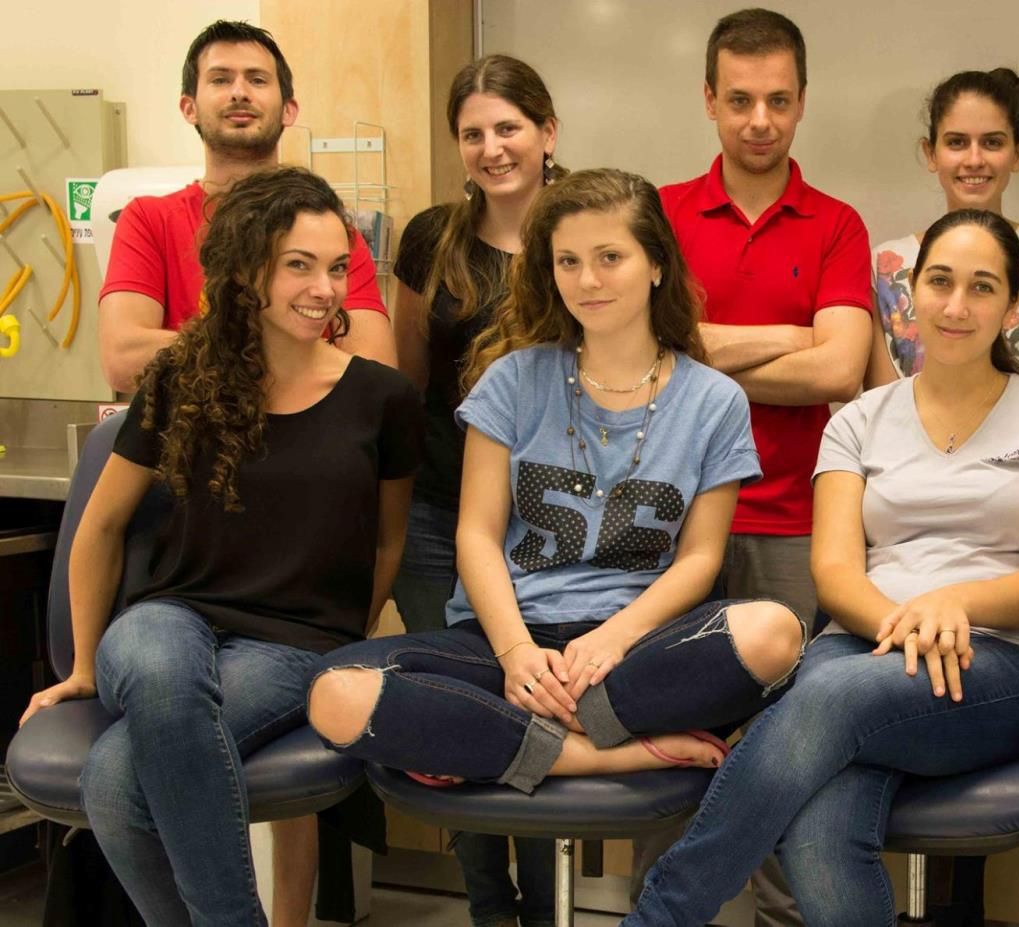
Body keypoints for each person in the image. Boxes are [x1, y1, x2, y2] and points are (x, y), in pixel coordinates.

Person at [623, 208, 1019, 927]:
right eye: (939, 281)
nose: (956, 304)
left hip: (999, 662)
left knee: (823, 698)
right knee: (820, 830)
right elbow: (836, 571)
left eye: (981, 287)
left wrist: (953, 604)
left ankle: (662, 914)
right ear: (910, 294)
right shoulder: (858, 419)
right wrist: (905, 627)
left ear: (1012, 305)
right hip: (864, 648)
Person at [304, 168, 804, 811]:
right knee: (334, 692)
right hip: (505, 643)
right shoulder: (511, 380)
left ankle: (494, 743)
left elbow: (701, 560)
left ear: (656, 264)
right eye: (568, 261)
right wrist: (516, 653)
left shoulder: (715, 400)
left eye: (610, 257)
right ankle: (592, 752)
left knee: (775, 634)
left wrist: (611, 640)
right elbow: (477, 534)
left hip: (639, 652)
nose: (588, 280)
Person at [19, 166, 421, 926]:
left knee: (114, 779)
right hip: (167, 617)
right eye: (298, 265)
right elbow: (101, 525)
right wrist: (79, 666)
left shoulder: (383, 397)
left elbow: (387, 538)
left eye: (336, 267)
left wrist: (345, 634)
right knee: (162, 666)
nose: (324, 288)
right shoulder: (182, 378)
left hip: (293, 643)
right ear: (246, 271)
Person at [651, 9, 873, 921]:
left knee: (787, 759)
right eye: (738, 99)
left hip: (794, 527)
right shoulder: (656, 214)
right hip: (666, 527)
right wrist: (783, 334)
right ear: (708, 99)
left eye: (777, 101)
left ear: (801, 103)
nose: (758, 120)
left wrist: (701, 350)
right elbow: (644, 358)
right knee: (669, 750)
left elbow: (838, 368)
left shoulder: (836, 224)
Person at [389, 54, 565, 927]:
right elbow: (411, 377)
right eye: (474, 133)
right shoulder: (431, 238)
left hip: (551, 527)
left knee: (535, 709)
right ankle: (490, 908)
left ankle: (546, 911)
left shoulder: (585, 229)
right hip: (436, 515)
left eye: (509, 128)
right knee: (460, 721)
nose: (493, 148)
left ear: (547, 133)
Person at [99, 20, 395, 394]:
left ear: (289, 109)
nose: (239, 92)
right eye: (220, 80)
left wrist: (216, 350)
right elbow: (124, 360)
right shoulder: (148, 219)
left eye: (257, 80)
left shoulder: (332, 233)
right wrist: (295, 353)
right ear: (189, 107)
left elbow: (374, 369)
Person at [867, 68, 1019, 399]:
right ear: (931, 153)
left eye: (992, 142)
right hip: (908, 451)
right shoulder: (884, 263)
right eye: (957, 142)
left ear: (1018, 154)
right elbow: (882, 407)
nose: (974, 159)